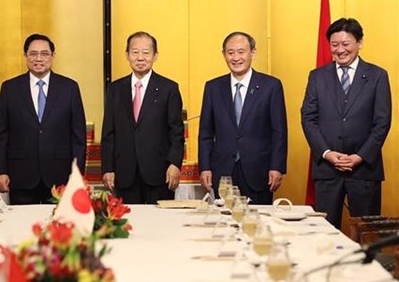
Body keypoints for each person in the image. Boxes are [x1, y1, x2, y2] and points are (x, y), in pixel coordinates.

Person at [301, 18, 391, 228]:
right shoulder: (317, 77)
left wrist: (360, 156)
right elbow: (308, 118)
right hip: (327, 170)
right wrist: (326, 153)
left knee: (365, 234)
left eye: (345, 44)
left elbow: (382, 121)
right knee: (324, 233)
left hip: (364, 170)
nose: (340, 50)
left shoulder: (377, 76)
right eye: (334, 45)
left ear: (359, 43)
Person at [0, 34, 86, 205]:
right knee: (22, 227)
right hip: (21, 175)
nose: (39, 59)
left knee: (60, 228)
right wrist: (0, 171)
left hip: (60, 176)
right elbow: (1, 135)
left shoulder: (69, 88)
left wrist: (77, 174)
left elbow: (78, 136)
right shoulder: (10, 88)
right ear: (25, 56)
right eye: (33, 54)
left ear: (52, 56)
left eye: (44, 54)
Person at [198, 31, 287, 204]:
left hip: (259, 170)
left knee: (256, 223)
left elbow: (279, 131)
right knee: (223, 223)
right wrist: (205, 167)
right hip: (223, 171)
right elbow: (206, 133)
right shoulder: (213, 87)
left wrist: (277, 167)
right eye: (230, 53)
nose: (236, 57)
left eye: (241, 51)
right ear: (224, 55)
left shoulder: (271, 86)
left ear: (252, 52)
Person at [101, 31, 184, 204]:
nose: (140, 58)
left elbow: (176, 132)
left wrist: (175, 164)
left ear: (155, 56)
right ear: (127, 55)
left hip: (160, 173)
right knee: (128, 224)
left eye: (146, 53)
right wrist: (107, 168)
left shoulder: (168, 88)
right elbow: (108, 133)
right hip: (124, 173)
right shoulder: (115, 89)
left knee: (159, 226)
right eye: (135, 52)